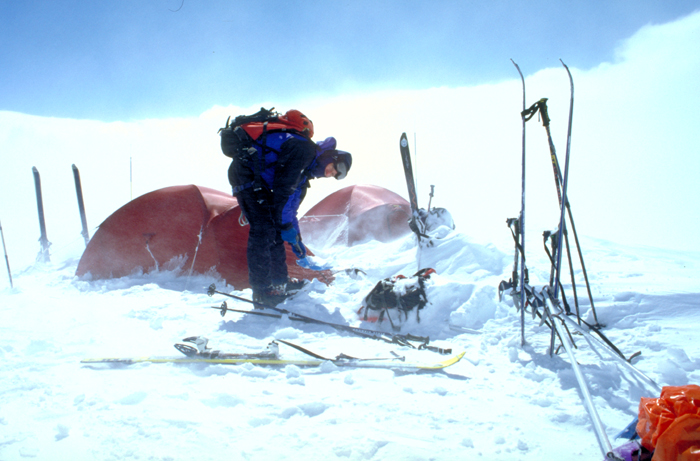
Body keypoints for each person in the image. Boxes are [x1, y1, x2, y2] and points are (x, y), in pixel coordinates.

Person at [227, 110, 352, 305]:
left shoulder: (304, 172)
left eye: (336, 175)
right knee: (263, 231)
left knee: (275, 232)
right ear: (330, 156)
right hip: (246, 178)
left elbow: (289, 209)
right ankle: (262, 291)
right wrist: (286, 226)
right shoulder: (304, 151)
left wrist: (296, 241)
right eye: (335, 167)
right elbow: (283, 190)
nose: (331, 174)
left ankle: (280, 282)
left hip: (256, 182)